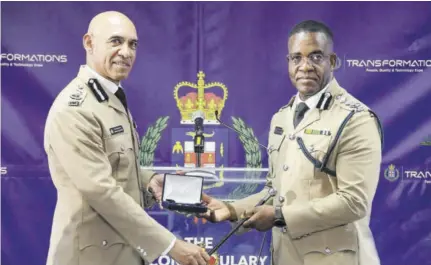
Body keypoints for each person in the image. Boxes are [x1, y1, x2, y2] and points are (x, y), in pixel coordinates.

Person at [200, 20, 383, 265]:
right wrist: (231, 209)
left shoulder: (355, 119)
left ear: (332, 61)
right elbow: (274, 192)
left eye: (316, 57)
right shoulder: (282, 118)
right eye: (296, 58)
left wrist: (278, 216)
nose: (305, 66)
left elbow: (354, 201)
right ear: (288, 62)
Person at [43, 11, 210, 265]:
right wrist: (170, 245)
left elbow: (114, 166)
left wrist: (150, 180)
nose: (126, 52)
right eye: (115, 41)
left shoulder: (109, 97)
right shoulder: (75, 109)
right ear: (89, 43)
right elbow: (101, 191)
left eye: (132, 44)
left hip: (122, 251)